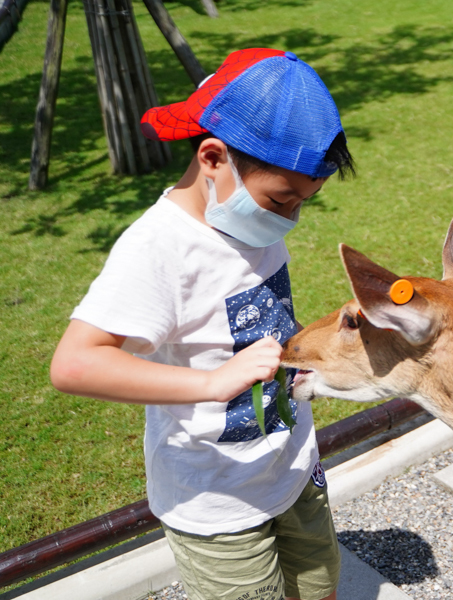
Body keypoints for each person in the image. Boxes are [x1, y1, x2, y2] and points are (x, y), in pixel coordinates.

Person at [50, 48, 354, 600]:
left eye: (303, 202)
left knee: (318, 587)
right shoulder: (157, 249)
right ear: (213, 159)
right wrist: (212, 384)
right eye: (282, 200)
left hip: (291, 466)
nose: (290, 218)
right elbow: (75, 363)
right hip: (214, 497)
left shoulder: (244, 216)